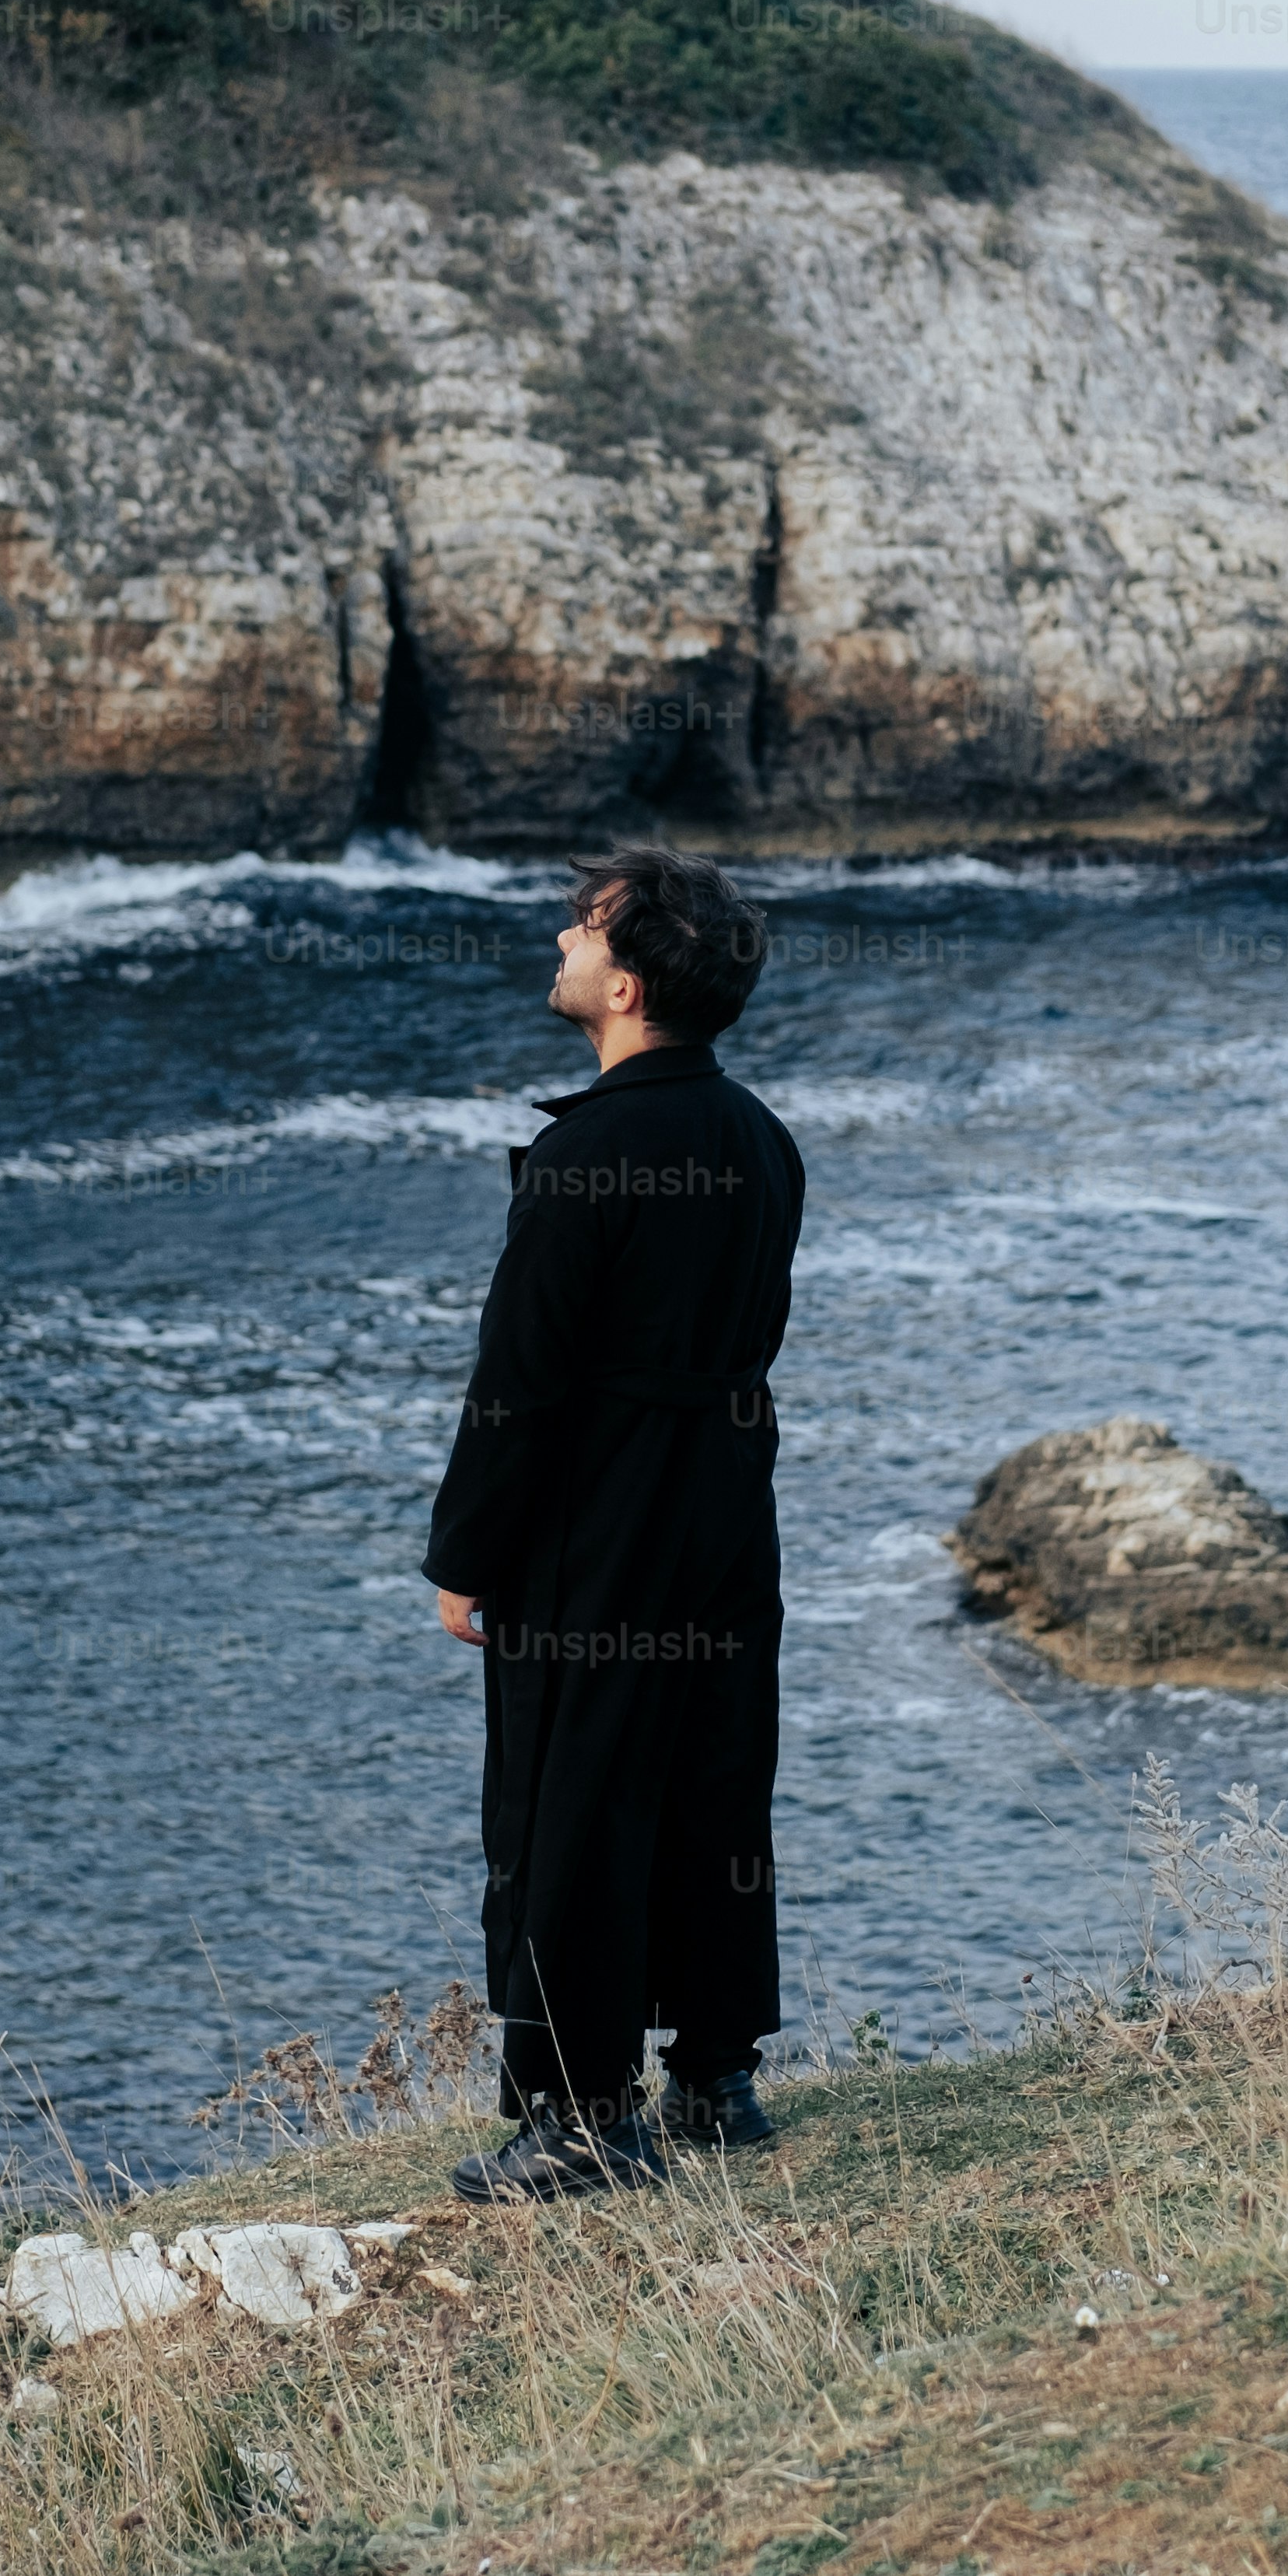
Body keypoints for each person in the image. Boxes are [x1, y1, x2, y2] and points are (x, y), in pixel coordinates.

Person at [424, 843, 806, 2200]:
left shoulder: (583, 1154)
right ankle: (716, 2078)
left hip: (598, 1520)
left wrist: (465, 1556)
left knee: (567, 1801)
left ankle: (581, 2124)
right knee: (713, 1781)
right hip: (727, 1508)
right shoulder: (761, 1137)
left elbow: (519, 1385)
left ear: (628, 986)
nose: (562, 943)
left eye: (583, 928)